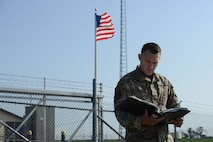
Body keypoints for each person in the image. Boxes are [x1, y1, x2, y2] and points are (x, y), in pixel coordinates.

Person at [114, 42, 183, 142]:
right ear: (139, 57)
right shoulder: (126, 83)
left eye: (155, 63)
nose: (151, 66)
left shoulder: (164, 83)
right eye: (148, 61)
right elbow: (120, 113)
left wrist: (178, 118)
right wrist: (141, 121)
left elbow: (175, 105)